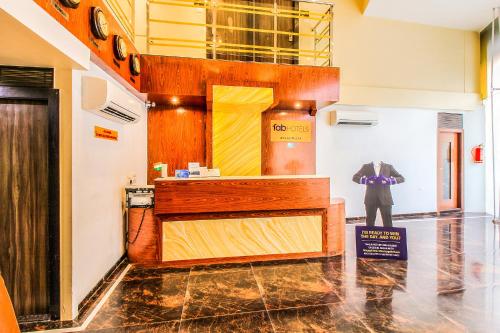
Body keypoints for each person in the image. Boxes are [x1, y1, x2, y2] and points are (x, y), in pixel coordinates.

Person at [352, 161, 405, 227]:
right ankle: (369, 237)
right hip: (370, 198)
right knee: (370, 223)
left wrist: (389, 181)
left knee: (388, 223)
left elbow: (402, 178)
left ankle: (388, 237)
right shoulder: (366, 167)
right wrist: (366, 181)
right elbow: (355, 177)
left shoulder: (388, 167)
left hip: (385, 198)